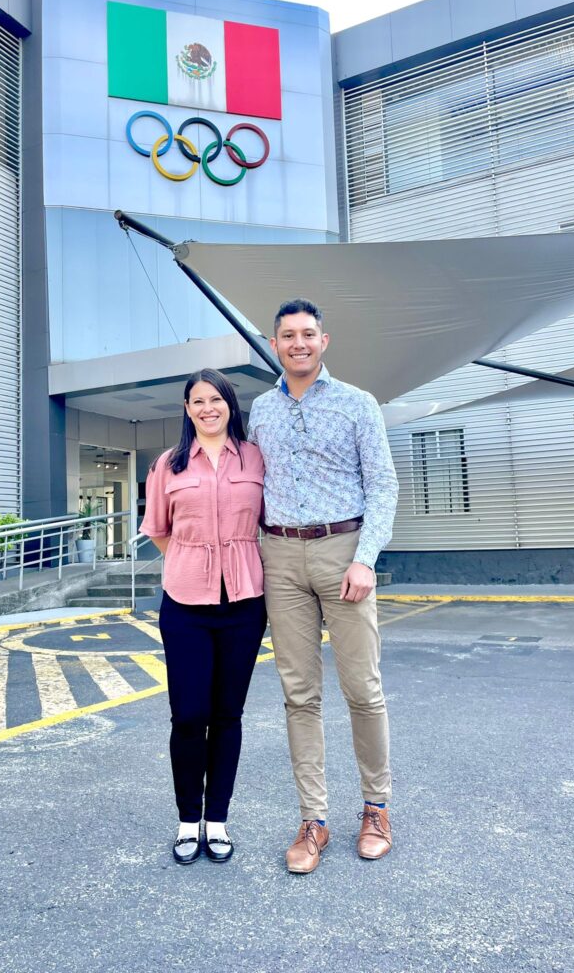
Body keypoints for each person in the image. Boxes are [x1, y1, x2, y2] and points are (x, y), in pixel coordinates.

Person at [248, 298, 399, 875]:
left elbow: (382, 486)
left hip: (344, 552)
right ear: (275, 344)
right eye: (288, 336)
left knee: (362, 688)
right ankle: (313, 819)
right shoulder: (261, 410)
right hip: (280, 556)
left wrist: (365, 559)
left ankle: (376, 808)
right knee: (299, 694)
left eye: (308, 334)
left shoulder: (358, 404)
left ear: (324, 341)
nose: (298, 343)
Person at [140, 368, 267, 865]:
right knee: (189, 717)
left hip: (243, 605)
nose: (207, 407)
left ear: (230, 406)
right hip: (186, 607)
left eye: (216, 399)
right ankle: (187, 822)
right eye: (197, 401)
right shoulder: (166, 466)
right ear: (187, 409)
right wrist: (196, 560)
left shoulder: (255, 457)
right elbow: (158, 529)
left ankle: (218, 821)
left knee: (227, 717)